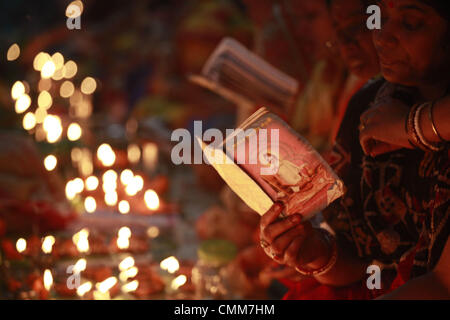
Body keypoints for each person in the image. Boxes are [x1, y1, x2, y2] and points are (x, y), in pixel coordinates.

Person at [259, 0, 450, 299]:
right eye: (381, 18)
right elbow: (359, 261)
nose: (382, 36)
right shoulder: (369, 103)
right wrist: (314, 253)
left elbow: (442, 286)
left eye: (411, 23)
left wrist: (411, 127)